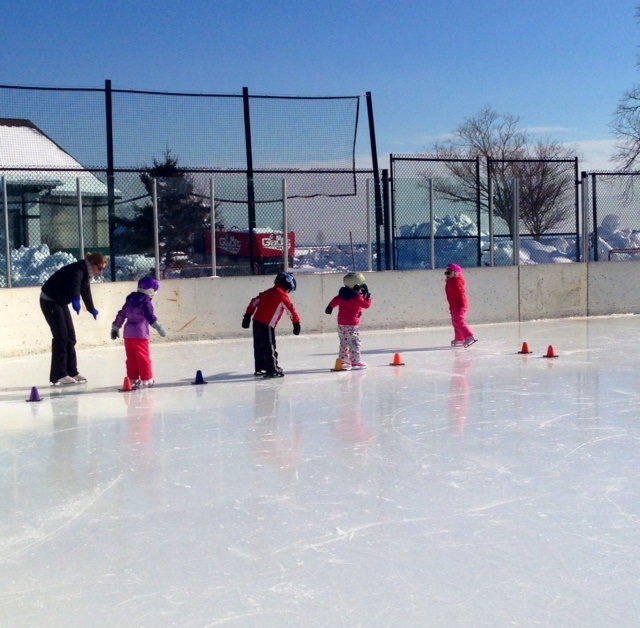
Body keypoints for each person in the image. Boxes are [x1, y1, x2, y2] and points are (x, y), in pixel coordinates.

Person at [40, 252, 107, 385]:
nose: (101, 272)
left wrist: (90, 308)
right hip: (50, 300)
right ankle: (59, 374)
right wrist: (75, 300)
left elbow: (85, 290)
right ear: (92, 264)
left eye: (103, 269)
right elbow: (75, 285)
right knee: (61, 337)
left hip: (60, 301)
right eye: (100, 268)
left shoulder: (87, 273)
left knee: (71, 337)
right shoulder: (78, 270)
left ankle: (72, 371)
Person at [111, 276, 167, 388]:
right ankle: (146, 379)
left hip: (128, 334)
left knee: (131, 358)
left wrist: (115, 327)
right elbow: (149, 315)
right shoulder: (145, 301)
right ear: (150, 291)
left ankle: (133, 379)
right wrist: (159, 327)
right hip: (140, 334)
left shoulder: (130, 300)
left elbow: (122, 314)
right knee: (143, 357)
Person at [242, 272, 301, 378]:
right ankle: (272, 369)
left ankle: (260, 368)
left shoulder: (267, 292)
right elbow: (290, 310)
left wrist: (247, 316)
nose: (288, 292)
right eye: (289, 290)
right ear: (287, 285)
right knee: (270, 347)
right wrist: (296, 323)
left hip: (256, 322)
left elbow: (254, 302)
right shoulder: (282, 296)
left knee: (259, 346)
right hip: (267, 324)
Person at [325, 272, 372, 370]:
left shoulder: (342, 294)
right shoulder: (356, 296)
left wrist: (330, 307)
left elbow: (335, 300)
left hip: (341, 323)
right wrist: (368, 296)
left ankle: (343, 360)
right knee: (354, 342)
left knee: (344, 341)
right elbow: (366, 305)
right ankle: (356, 361)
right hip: (352, 324)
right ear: (357, 284)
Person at [445, 263, 476, 347]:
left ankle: (469, 336)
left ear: (455, 273)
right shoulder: (451, 282)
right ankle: (459, 339)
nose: (447, 274)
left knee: (458, 320)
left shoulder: (456, 281)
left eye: (449, 272)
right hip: (454, 305)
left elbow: (461, 293)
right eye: (446, 272)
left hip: (459, 304)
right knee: (455, 322)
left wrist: (461, 304)